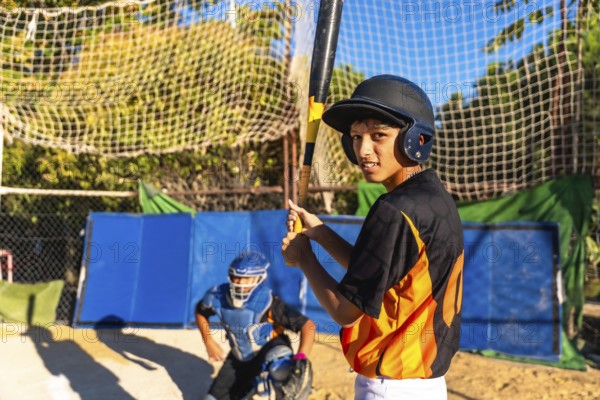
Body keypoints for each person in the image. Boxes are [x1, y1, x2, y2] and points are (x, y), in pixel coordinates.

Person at [281, 75, 464, 399]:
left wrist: (304, 258)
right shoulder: (431, 196)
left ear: (416, 138)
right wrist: (319, 233)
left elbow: (346, 311)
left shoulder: (395, 209)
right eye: (355, 137)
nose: (363, 149)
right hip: (423, 385)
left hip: (390, 386)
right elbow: (380, 276)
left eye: (378, 135)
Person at [195, 251, 316, 400]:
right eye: (237, 278)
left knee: (280, 366)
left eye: (247, 279)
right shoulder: (217, 296)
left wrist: (300, 358)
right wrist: (208, 341)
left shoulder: (270, 301)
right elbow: (200, 311)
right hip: (240, 356)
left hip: (269, 350)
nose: (240, 283)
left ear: (259, 279)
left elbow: (308, 326)